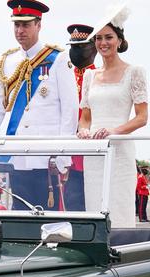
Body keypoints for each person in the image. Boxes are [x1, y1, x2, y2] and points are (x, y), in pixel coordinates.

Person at [0, 0, 78, 211]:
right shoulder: (8, 61)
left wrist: (63, 152)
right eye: (16, 25)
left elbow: (70, 109)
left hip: (46, 156)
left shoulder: (57, 58)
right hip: (17, 153)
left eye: (26, 25)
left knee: (48, 215)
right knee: (20, 212)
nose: (20, 30)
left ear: (38, 25)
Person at [75, 4, 148, 227]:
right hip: (94, 151)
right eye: (98, 38)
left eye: (108, 37)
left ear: (119, 40)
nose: (103, 43)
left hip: (120, 148)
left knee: (119, 203)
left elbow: (142, 117)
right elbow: (85, 117)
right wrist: (84, 130)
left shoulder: (134, 72)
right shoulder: (89, 76)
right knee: (95, 205)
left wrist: (113, 132)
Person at [64, 23, 97, 211]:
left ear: (93, 48)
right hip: (67, 146)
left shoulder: (98, 77)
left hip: (88, 148)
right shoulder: (65, 76)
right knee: (70, 202)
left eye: (81, 46)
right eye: (73, 47)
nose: (75, 51)